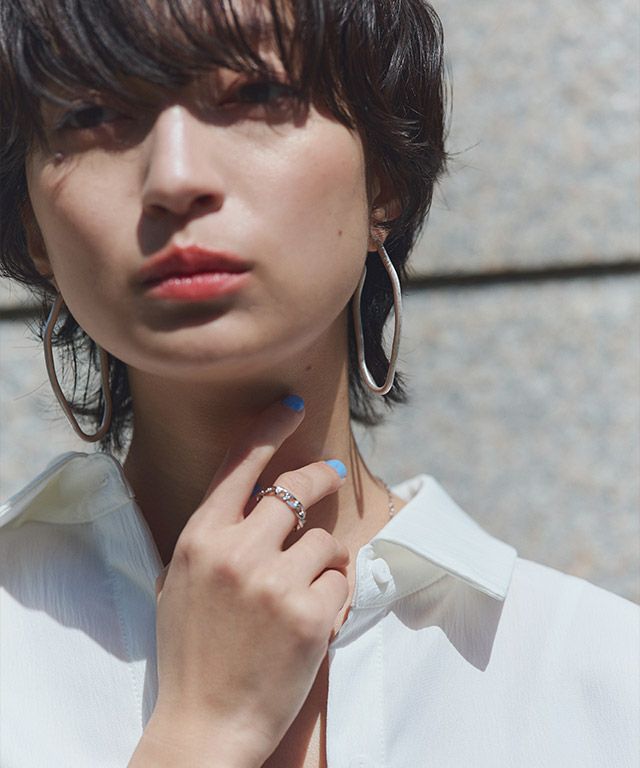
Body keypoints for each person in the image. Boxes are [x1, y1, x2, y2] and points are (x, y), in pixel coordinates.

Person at [0, 1, 637, 766]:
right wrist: (203, 733)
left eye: (258, 93)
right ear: (32, 227)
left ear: (384, 180)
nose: (174, 178)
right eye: (94, 113)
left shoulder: (600, 679)